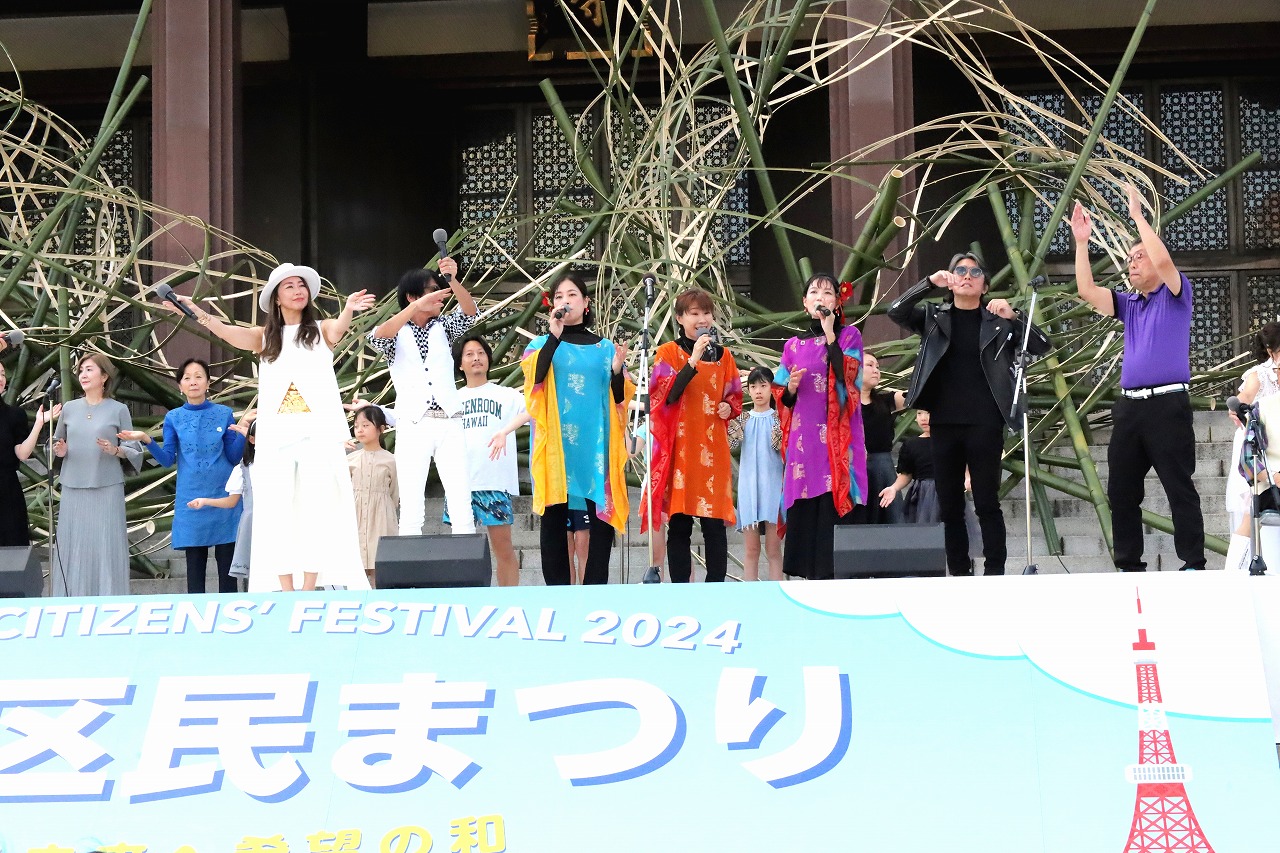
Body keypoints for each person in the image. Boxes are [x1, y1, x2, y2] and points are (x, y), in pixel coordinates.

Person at [161, 262, 374, 591]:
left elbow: (338, 329)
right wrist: (197, 313)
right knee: (277, 512)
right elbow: (226, 332)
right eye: (289, 286)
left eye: (301, 285)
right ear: (276, 297)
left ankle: (309, 588)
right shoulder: (264, 338)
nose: (298, 291)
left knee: (315, 510)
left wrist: (347, 309)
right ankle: (286, 588)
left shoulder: (320, 330)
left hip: (316, 436)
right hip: (276, 439)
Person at [888, 253, 1050, 576]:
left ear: (985, 286)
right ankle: (960, 574)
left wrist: (1014, 315)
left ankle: (994, 572)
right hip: (944, 421)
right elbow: (896, 311)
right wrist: (928, 283)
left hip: (985, 422)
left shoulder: (998, 323)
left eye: (975, 272)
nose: (966, 276)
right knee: (950, 505)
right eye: (959, 270)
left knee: (987, 501)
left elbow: (1041, 345)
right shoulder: (934, 317)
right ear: (950, 281)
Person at [1071, 186, 1205, 571]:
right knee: (1121, 490)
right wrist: (1082, 242)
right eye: (1129, 259)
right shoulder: (1129, 303)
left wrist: (1137, 217)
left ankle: (1193, 562)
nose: (1132, 263)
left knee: (1179, 486)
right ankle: (1129, 563)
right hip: (1130, 408)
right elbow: (1086, 290)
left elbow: (1163, 261)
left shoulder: (1176, 293)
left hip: (1168, 405)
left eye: (1139, 256)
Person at [521, 272, 633, 585]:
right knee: (554, 517)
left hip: (596, 444)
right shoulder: (540, 344)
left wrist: (616, 372)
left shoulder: (605, 348)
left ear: (586, 303)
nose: (565, 301)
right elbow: (535, 382)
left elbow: (620, 400)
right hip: (556, 444)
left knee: (599, 520)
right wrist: (554, 337)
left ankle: (595, 590)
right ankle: (558, 593)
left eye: (572, 295)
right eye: (559, 296)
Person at [366, 258, 477, 536]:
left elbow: (470, 312)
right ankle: (410, 563)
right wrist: (415, 308)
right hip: (413, 423)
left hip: (449, 421)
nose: (440, 295)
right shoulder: (397, 332)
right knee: (411, 503)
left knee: (461, 499)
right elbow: (377, 337)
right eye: (433, 290)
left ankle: (466, 561)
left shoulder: (444, 326)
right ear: (412, 296)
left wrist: (452, 279)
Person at [117, 358, 248, 594]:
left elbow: (232, 456)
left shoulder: (224, 414)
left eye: (199, 376)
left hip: (224, 497)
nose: (193, 382)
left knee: (227, 573)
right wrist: (146, 439)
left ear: (208, 383)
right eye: (187, 378)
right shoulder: (173, 418)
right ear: (180, 386)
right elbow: (167, 459)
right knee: (194, 572)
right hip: (191, 499)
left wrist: (243, 434)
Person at [642, 288, 741, 583]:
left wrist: (728, 406)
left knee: (714, 525)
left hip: (713, 448)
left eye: (706, 313)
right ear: (680, 318)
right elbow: (666, 396)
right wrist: (693, 359)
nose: (702, 319)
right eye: (694, 313)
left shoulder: (725, 356)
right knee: (680, 524)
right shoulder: (668, 353)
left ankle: (715, 588)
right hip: (681, 449)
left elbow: (734, 396)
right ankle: (681, 590)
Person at [772, 273, 867, 580]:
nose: (820, 297)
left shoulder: (849, 336)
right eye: (814, 292)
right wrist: (790, 389)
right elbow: (780, 395)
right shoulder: (792, 345)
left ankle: (834, 578)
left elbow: (849, 378)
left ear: (837, 302)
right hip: (804, 442)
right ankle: (808, 578)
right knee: (806, 501)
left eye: (827, 293)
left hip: (837, 438)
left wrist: (829, 334)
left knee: (833, 500)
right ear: (805, 302)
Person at [51, 353, 143, 597]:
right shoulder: (69, 409)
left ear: (104, 377)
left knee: (106, 544)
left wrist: (115, 450)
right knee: (73, 545)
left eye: (89, 369)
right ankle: (70, 600)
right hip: (73, 486)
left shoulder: (119, 409)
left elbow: (134, 448)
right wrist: (60, 450)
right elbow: (56, 443)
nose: (83, 374)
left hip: (107, 486)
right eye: (81, 370)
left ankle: (109, 599)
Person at [450, 334, 528, 587]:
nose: (476, 358)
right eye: (469, 354)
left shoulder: (506, 395)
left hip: (494, 482)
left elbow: (533, 409)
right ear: (460, 363)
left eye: (481, 353)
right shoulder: (451, 398)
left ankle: (508, 600)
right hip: (460, 484)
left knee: (503, 548)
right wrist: (380, 411)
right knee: (461, 552)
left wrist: (506, 431)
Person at [1223, 323, 1280, 571]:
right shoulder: (1260, 374)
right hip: (1259, 445)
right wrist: (1239, 412)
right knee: (1251, 510)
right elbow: (1243, 400)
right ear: (1270, 351)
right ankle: (1235, 569)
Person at [728, 366, 784, 581]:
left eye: (763, 385)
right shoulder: (742, 419)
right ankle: (749, 592)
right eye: (753, 386)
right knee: (751, 550)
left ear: (772, 388)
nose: (758, 391)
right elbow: (730, 443)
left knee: (773, 549)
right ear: (748, 390)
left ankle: (776, 591)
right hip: (749, 488)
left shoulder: (779, 419)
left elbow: (781, 447)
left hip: (773, 487)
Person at [189, 418, 257, 587]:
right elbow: (231, 501)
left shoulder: (280, 465)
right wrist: (205, 501)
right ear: (252, 439)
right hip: (253, 523)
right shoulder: (244, 467)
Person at [0, 361, 60, 546]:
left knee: (11, 548)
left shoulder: (15, 415)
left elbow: (22, 453)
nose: (0, 378)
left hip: (6, 491)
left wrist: (39, 423)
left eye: (2, 374)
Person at [850, 351, 906, 524]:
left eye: (878, 367)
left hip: (883, 466)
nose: (876, 370)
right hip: (854, 466)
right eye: (870, 365)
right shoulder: (843, 404)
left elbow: (912, 396)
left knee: (891, 518)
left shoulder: (885, 400)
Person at [348, 405, 398, 588]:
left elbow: (394, 493)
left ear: (381, 429)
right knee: (356, 568)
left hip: (382, 517)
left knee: (381, 566)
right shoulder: (350, 459)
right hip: (356, 516)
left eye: (366, 425)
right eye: (356, 426)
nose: (360, 430)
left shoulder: (391, 460)